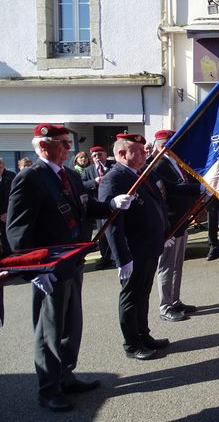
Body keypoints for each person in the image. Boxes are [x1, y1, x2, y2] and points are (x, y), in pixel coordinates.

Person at [6, 123, 133, 412]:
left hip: (73, 263)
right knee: (48, 331)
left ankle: (66, 375)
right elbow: (18, 232)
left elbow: (84, 209)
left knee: (71, 326)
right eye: (62, 142)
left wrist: (111, 204)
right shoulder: (30, 178)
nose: (68, 147)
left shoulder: (70, 176)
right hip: (49, 268)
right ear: (43, 146)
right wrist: (35, 270)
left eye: (68, 142)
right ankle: (48, 389)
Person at [98, 133, 172, 361]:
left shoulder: (139, 173)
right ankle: (132, 344)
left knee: (143, 294)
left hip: (149, 247)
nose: (144, 153)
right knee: (131, 297)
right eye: (138, 151)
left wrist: (162, 234)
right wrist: (122, 258)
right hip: (133, 251)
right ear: (122, 154)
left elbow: (157, 205)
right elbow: (111, 224)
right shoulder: (114, 178)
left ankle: (143, 335)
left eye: (144, 149)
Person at [150, 129, 201, 323]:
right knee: (166, 266)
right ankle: (165, 306)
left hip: (182, 221)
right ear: (164, 145)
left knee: (177, 265)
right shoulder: (158, 165)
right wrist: (199, 189)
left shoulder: (176, 162)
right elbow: (171, 190)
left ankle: (175, 300)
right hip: (170, 223)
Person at [83, 146, 115, 270]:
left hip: (113, 203)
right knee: (102, 234)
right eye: (95, 156)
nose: (98, 157)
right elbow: (82, 184)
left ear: (105, 155)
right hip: (98, 205)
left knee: (115, 231)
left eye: (100, 154)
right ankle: (105, 258)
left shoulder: (113, 165)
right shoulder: (88, 170)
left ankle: (116, 257)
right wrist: (94, 181)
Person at [0, 158, 17, 256]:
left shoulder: (11, 177)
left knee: (8, 242)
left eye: (0, 167)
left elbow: (16, 197)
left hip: (8, 215)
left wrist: (8, 213)